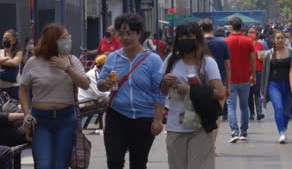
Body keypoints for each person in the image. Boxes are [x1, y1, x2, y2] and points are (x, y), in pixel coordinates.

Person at [97, 13, 165, 169]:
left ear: (139, 33)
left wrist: (158, 119)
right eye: (121, 34)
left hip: (143, 118)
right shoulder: (113, 58)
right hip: (117, 116)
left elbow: (159, 92)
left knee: (138, 163)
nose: (125, 38)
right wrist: (105, 83)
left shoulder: (153, 60)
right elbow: (100, 84)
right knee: (114, 162)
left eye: (129, 33)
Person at [19, 24, 90, 168]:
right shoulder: (33, 62)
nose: (68, 41)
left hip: (66, 119)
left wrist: (67, 68)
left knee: (60, 164)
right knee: (43, 164)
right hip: (40, 120)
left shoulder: (72, 60)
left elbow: (85, 84)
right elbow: (23, 89)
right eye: (64, 38)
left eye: (69, 37)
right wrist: (26, 113)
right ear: (52, 40)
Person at [160, 22, 225, 169]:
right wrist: (165, 82)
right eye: (181, 36)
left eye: (189, 36)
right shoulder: (171, 60)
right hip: (175, 125)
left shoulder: (207, 62)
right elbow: (162, 92)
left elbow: (220, 93)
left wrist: (189, 90)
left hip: (200, 125)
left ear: (197, 38)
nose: (185, 39)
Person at [225, 17, 256, 143]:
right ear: (242, 27)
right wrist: (253, 75)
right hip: (245, 78)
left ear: (231, 27)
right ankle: (243, 131)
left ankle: (234, 131)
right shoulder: (248, 41)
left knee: (231, 106)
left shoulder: (225, 41)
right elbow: (253, 60)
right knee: (244, 106)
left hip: (230, 79)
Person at [261, 31, 292, 144]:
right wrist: (263, 90)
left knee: (287, 111)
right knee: (278, 107)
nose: (280, 40)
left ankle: (283, 126)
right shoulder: (269, 54)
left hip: (288, 85)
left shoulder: (291, 52)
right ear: (274, 40)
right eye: (277, 38)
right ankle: (282, 132)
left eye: (282, 38)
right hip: (274, 85)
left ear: (285, 39)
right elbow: (264, 73)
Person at [200, 18, 231, 128]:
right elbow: (227, 67)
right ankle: (212, 142)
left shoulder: (197, 44)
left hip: (200, 84)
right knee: (216, 118)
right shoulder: (222, 43)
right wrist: (228, 86)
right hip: (219, 84)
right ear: (212, 28)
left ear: (200, 29)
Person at [247, 27, 265, 121]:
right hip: (247, 72)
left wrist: (261, 56)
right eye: (250, 32)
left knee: (257, 92)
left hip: (258, 71)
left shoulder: (260, 45)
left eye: (253, 32)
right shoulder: (245, 44)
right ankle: (252, 113)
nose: (251, 34)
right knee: (249, 94)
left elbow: (263, 59)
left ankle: (259, 112)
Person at [0, 30, 23, 100]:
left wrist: (1, 61)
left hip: (14, 88)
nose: (4, 40)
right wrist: (7, 58)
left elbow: (14, 63)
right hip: (1, 88)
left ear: (14, 41)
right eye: (4, 38)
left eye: (7, 38)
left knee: (14, 109)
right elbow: (11, 61)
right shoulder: (0, 51)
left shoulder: (18, 52)